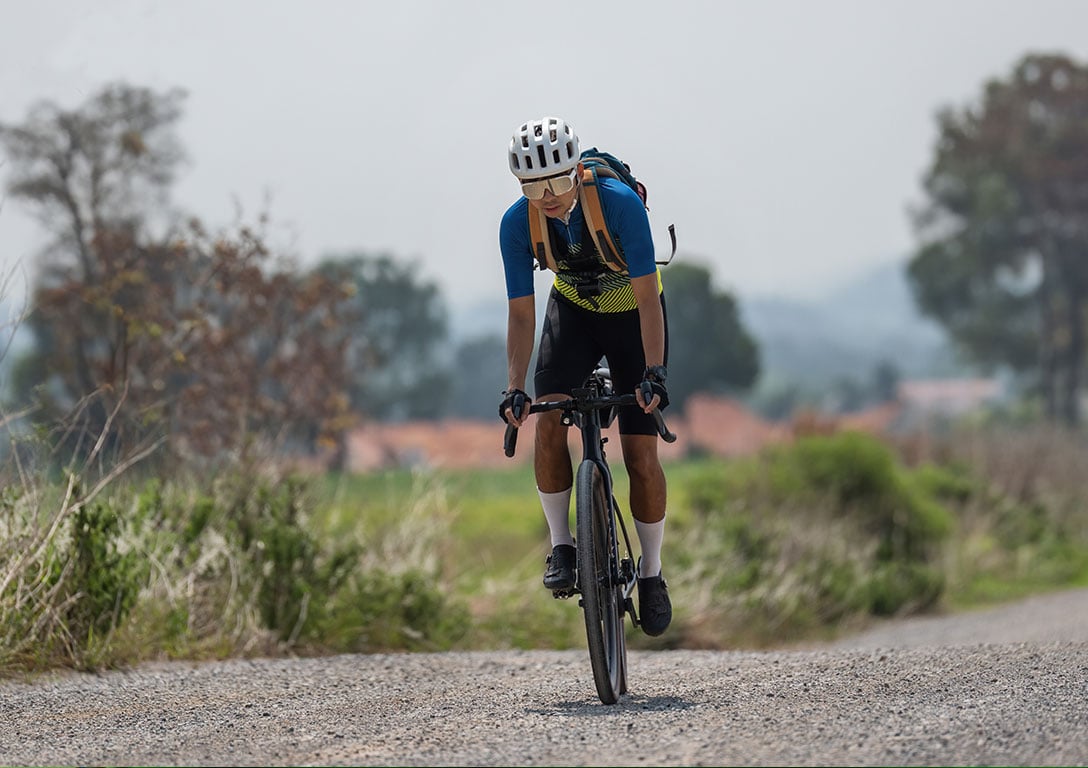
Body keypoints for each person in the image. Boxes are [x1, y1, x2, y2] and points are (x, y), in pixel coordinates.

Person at [497, 116, 672, 637]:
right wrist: (514, 386)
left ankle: (652, 572)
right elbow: (522, 314)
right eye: (533, 186)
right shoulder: (516, 224)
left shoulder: (619, 203)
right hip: (572, 314)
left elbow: (646, 296)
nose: (546, 197)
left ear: (575, 170)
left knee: (641, 455)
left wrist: (655, 373)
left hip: (633, 319)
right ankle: (562, 545)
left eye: (555, 181)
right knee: (547, 423)